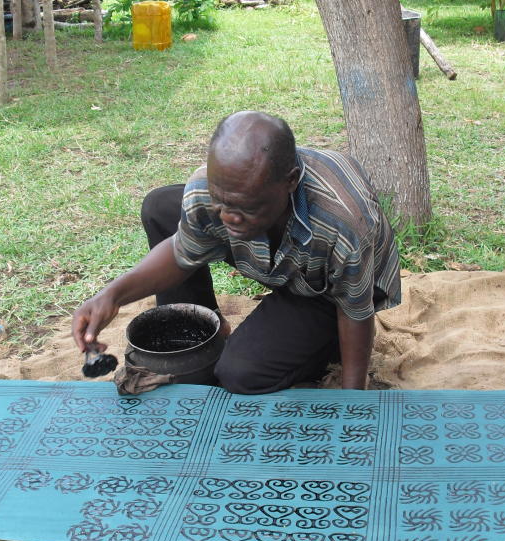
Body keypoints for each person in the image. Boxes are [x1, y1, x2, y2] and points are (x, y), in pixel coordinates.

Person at [72, 111, 400, 394]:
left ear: (290, 181)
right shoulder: (213, 191)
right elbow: (181, 251)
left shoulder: (342, 224)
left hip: (328, 291)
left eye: (245, 206)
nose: (229, 216)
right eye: (221, 199)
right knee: (162, 207)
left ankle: (318, 342)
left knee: (241, 373)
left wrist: (354, 399)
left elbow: (355, 311)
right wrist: (112, 296)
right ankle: (201, 340)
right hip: (283, 251)